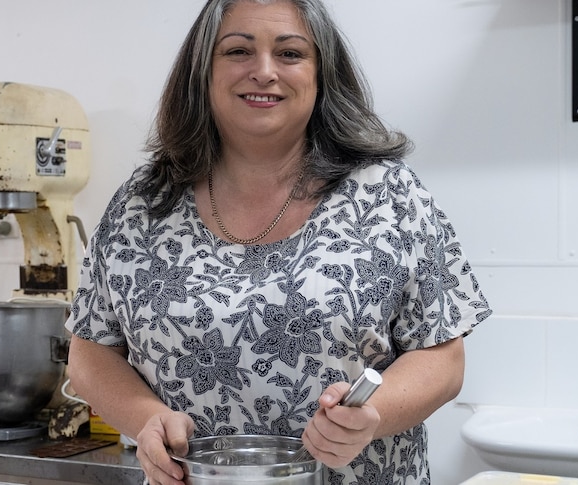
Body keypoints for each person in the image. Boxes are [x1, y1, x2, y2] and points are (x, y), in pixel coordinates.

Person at [65, 0, 491, 483]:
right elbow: (90, 352)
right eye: (238, 51)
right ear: (202, 70)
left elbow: (443, 358)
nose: (263, 71)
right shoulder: (141, 204)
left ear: (321, 73)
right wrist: (145, 417)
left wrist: (372, 416)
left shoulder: (388, 195)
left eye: (290, 54)